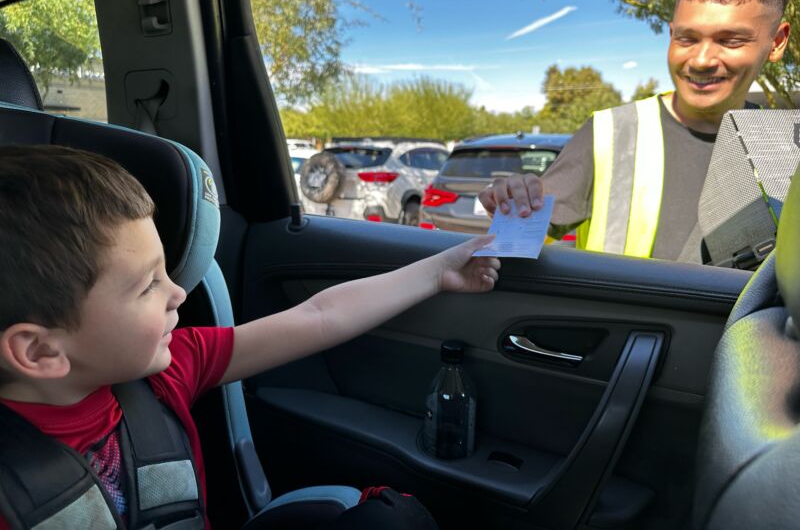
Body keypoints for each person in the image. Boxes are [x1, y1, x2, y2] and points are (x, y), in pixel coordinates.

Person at [0, 144, 500, 529]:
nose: (178, 293)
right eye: (148, 285)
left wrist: (438, 272)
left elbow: (320, 316)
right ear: (40, 351)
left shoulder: (168, 370)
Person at [479, 0, 792, 263]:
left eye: (730, 41)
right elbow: (511, 249)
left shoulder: (787, 146)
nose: (700, 60)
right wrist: (513, 203)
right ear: (671, 34)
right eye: (686, 39)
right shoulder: (610, 133)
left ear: (777, 42)